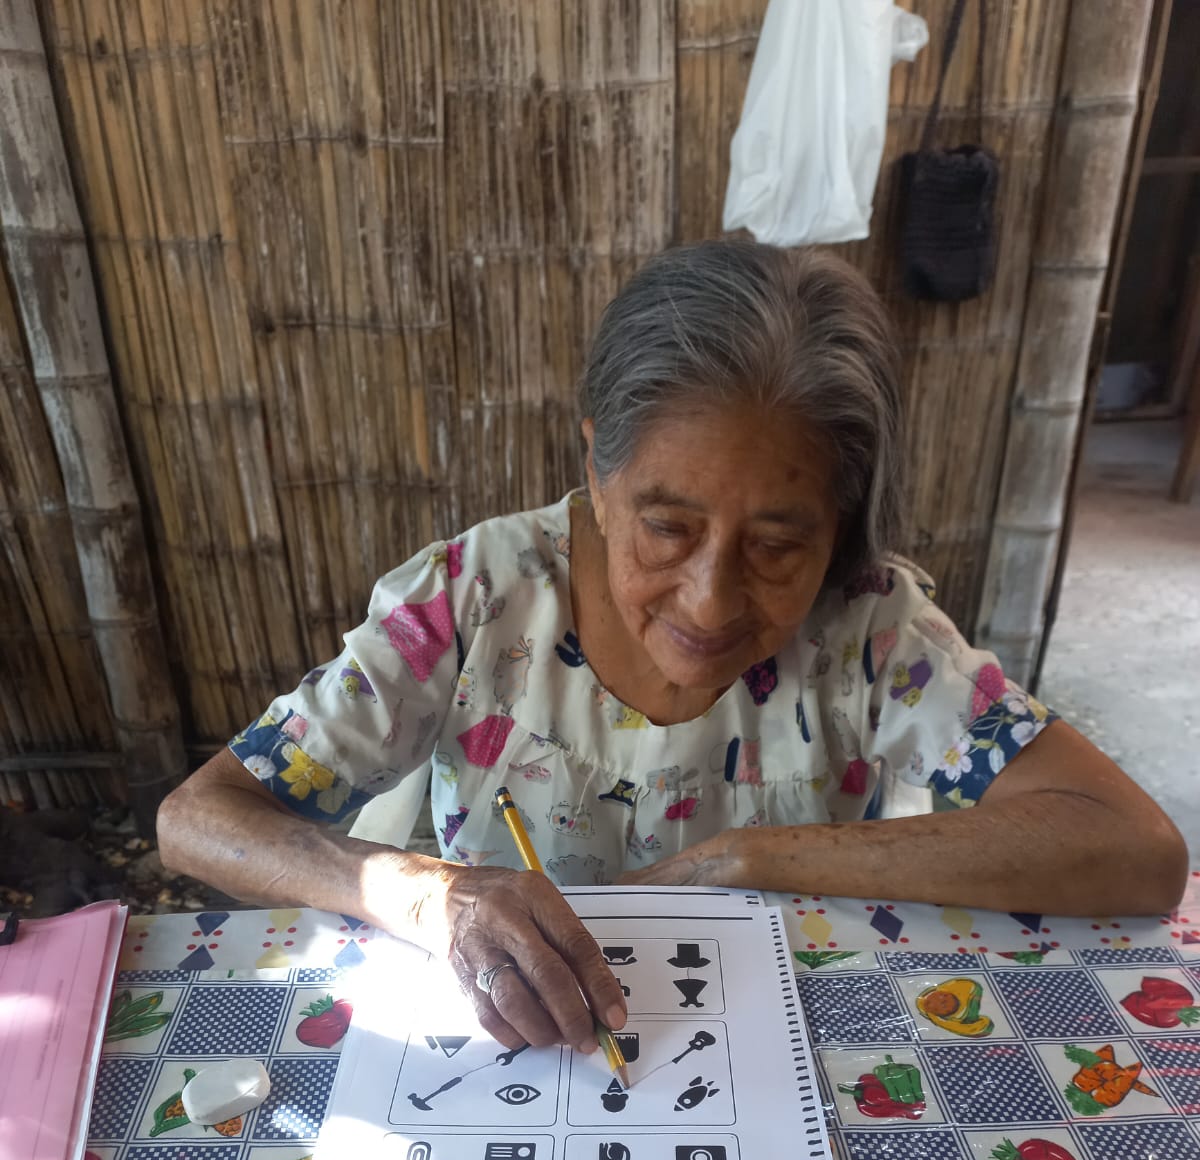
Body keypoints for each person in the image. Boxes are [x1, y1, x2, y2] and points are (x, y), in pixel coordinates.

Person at [158, 241, 1188, 1053]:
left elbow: (1137, 851)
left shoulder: (871, 630)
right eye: (666, 527)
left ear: (838, 528)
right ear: (597, 474)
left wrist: (751, 859)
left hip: (781, 1057)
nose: (711, 597)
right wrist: (434, 895)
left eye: (778, 544)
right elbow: (199, 819)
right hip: (515, 1055)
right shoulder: (476, 601)